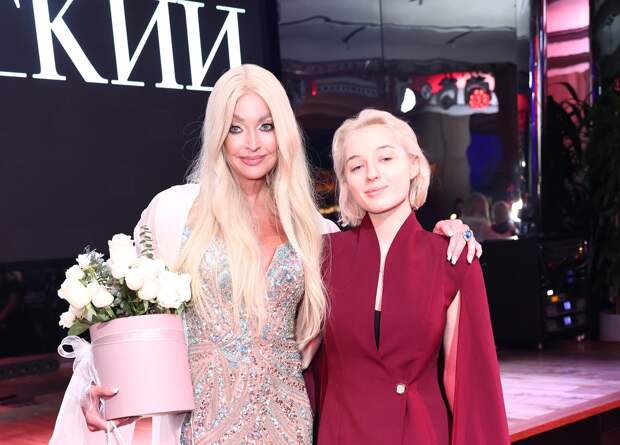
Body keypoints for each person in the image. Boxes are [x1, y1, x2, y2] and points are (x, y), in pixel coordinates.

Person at [55, 65, 479, 444]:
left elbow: (385, 286)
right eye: (236, 128)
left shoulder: (316, 233)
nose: (253, 143)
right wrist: (105, 387)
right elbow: (125, 314)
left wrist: (447, 234)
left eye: (266, 125)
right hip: (199, 427)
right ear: (218, 134)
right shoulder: (174, 213)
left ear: (284, 133)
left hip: (287, 422)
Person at [310, 109, 510, 444]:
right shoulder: (323, 256)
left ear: (414, 164)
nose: (372, 174)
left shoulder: (451, 258)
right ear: (345, 181)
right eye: (356, 166)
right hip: (342, 434)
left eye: (386, 158)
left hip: (418, 433)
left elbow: (465, 383)